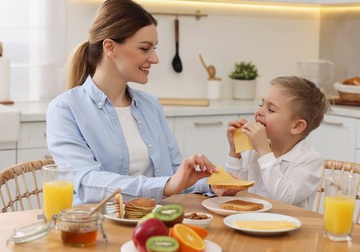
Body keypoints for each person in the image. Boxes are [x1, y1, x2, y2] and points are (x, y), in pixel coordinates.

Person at [46, 0, 217, 205]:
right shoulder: (66, 109)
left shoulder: (150, 105)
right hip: (99, 229)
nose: (154, 59)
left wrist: (212, 183)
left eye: (154, 48)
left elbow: (175, 174)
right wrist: (167, 186)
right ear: (110, 48)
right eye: (145, 49)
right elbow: (85, 183)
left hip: (155, 224)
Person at [215, 76, 330, 210]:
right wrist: (235, 151)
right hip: (250, 223)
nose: (259, 112)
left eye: (271, 109)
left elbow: (283, 197)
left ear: (297, 126)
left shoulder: (310, 159)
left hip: (290, 227)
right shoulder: (254, 150)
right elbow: (230, 190)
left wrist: (264, 151)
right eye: (261, 104)